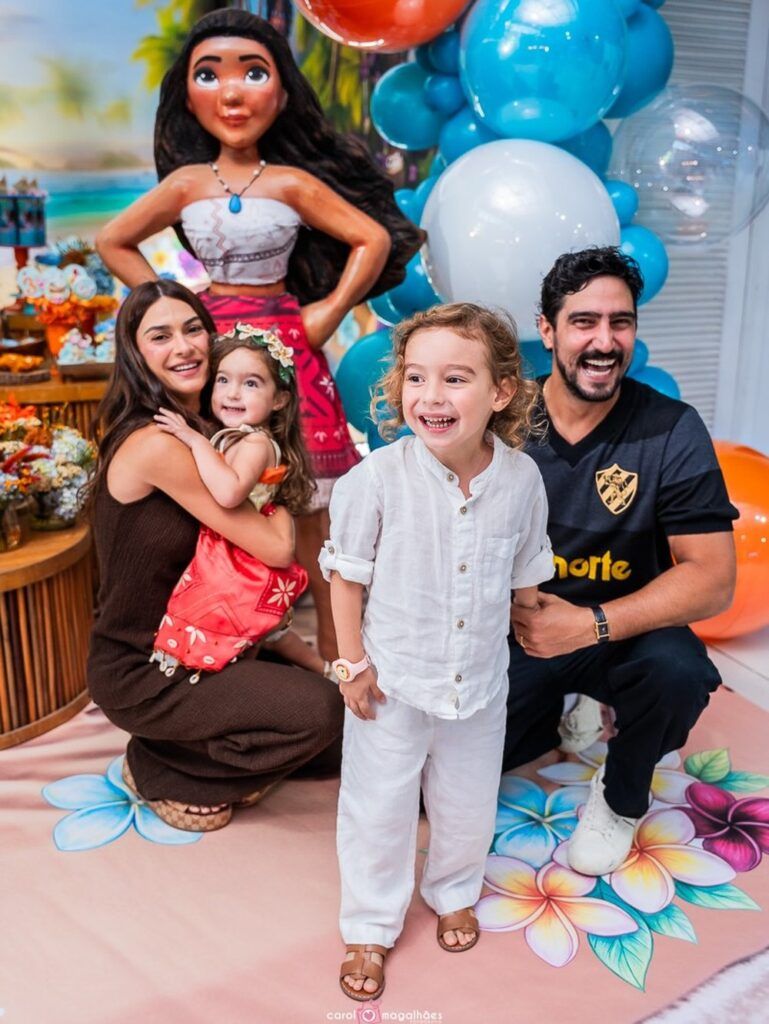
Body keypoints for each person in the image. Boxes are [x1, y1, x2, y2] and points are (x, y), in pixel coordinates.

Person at [95, 9, 423, 664]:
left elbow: (372, 238)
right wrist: (174, 307)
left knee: (314, 518)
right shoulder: (186, 184)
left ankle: (340, 659)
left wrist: (327, 311)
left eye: (252, 73)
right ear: (188, 94)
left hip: (287, 348)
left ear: (282, 91)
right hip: (214, 353)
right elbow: (112, 240)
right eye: (209, 75)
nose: (232, 93)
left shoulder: (291, 182)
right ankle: (232, 646)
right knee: (217, 503)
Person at [320, 303, 554, 1001]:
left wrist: (534, 622)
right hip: (391, 680)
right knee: (378, 805)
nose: (431, 396)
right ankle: (369, 924)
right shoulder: (376, 480)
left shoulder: (521, 480)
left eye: (455, 378)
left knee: (467, 800)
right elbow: (346, 577)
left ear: (501, 392)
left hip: (479, 682)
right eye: (416, 378)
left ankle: (453, 889)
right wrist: (352, 666)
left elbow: (526, 569)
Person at [504, 246, 738, 876]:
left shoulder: (671, 428)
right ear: (548, 330)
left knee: (678, 674)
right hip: (520, 631)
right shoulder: (503, 419)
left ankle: (621, 795)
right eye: (584, 322)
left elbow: (714, 580)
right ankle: (564, 711)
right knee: (439, 782)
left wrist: (590, 625)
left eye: (621, 322)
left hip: (623, 632)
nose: (605, 342)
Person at [87, 279, 343, 833]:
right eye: (160, 336)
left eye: (192, 329)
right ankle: (162, 765)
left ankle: (194, 744)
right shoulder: (161, 443)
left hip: (213, 645)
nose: (183, 347)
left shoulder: (215, 429)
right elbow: (276, 547)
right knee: (320, 714)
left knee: (342, 734)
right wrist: (280, 508)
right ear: (135, 351)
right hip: (146, 667)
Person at [151, 321, 336, 682]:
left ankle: (257, 682)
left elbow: (229, 493)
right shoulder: (235, 436)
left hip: (242, 558)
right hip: (236, 547)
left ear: (279, 399)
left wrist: (194, 441)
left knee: (240, 631)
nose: (233, 393)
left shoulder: (256, 443)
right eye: (223, 380)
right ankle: (321, 671)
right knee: (271, 633)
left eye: (251, 383)